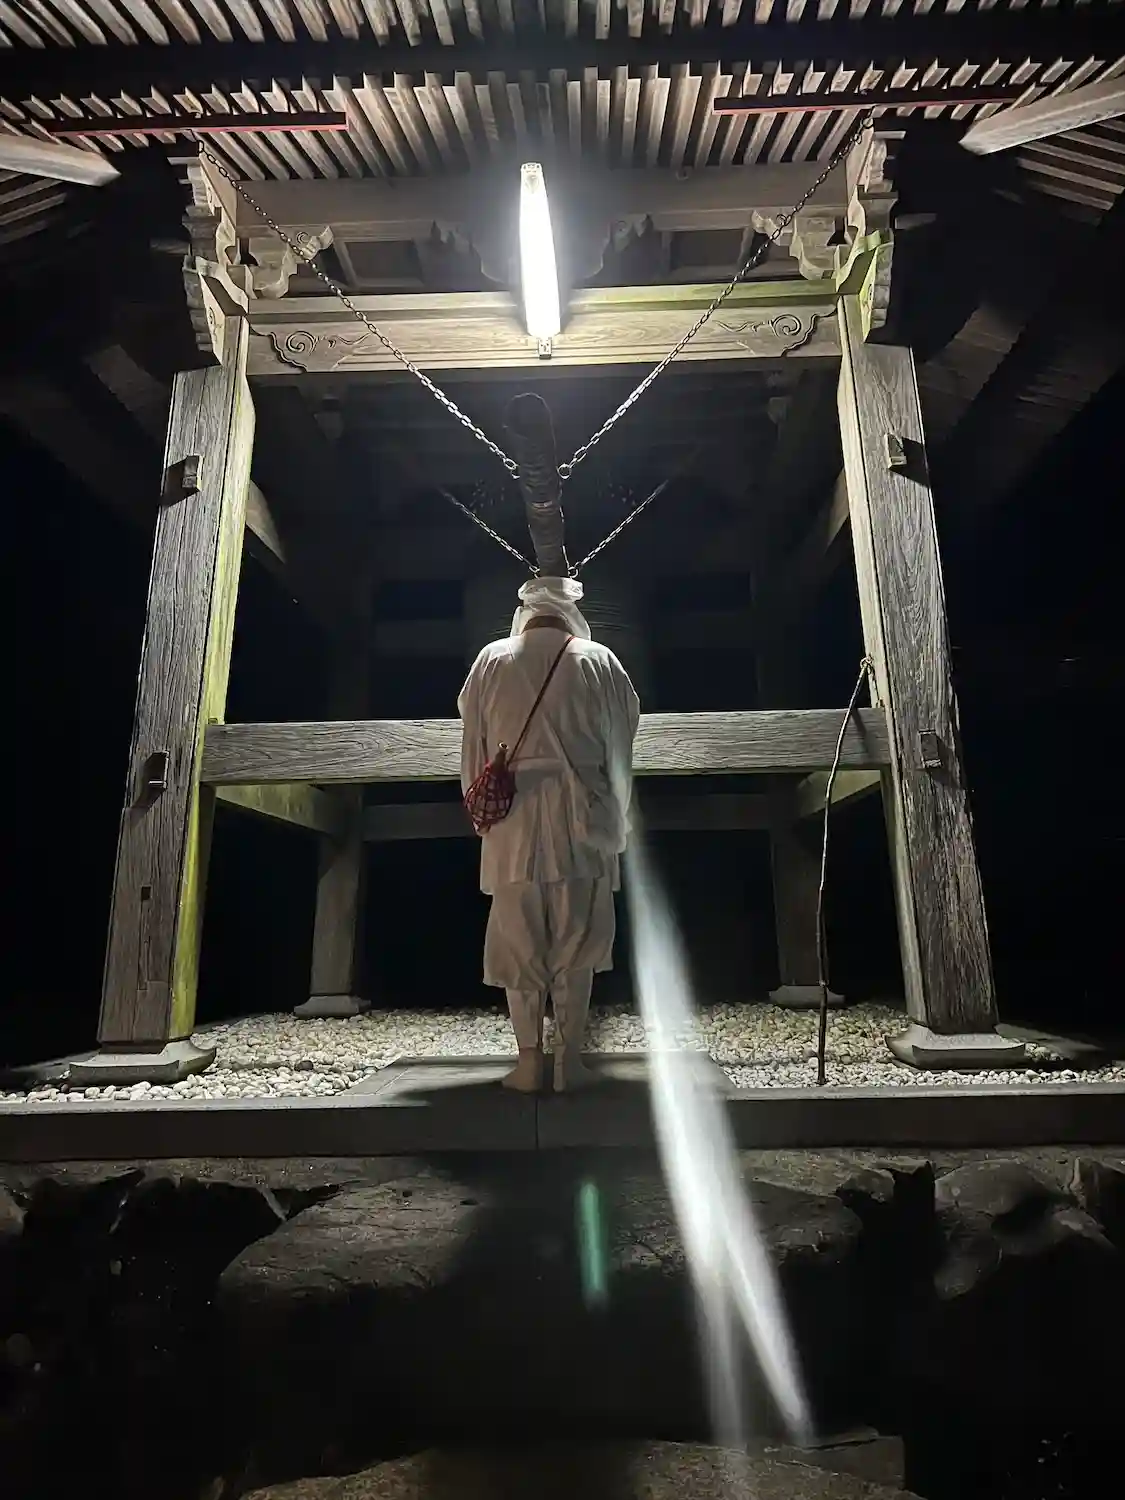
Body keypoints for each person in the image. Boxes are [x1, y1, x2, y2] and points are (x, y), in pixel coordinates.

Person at [458, 576, 640, 1093]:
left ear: (525, 612)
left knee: (519, 939)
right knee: (576, 938)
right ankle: (569, 1062)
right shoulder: (600, 661)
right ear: (571, 615)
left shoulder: (491, 659)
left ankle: (528, 1061)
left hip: (513, 819)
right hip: (584, 816)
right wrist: (618, 813)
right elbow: (621, 748)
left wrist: (482, 813)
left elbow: (473, 750)